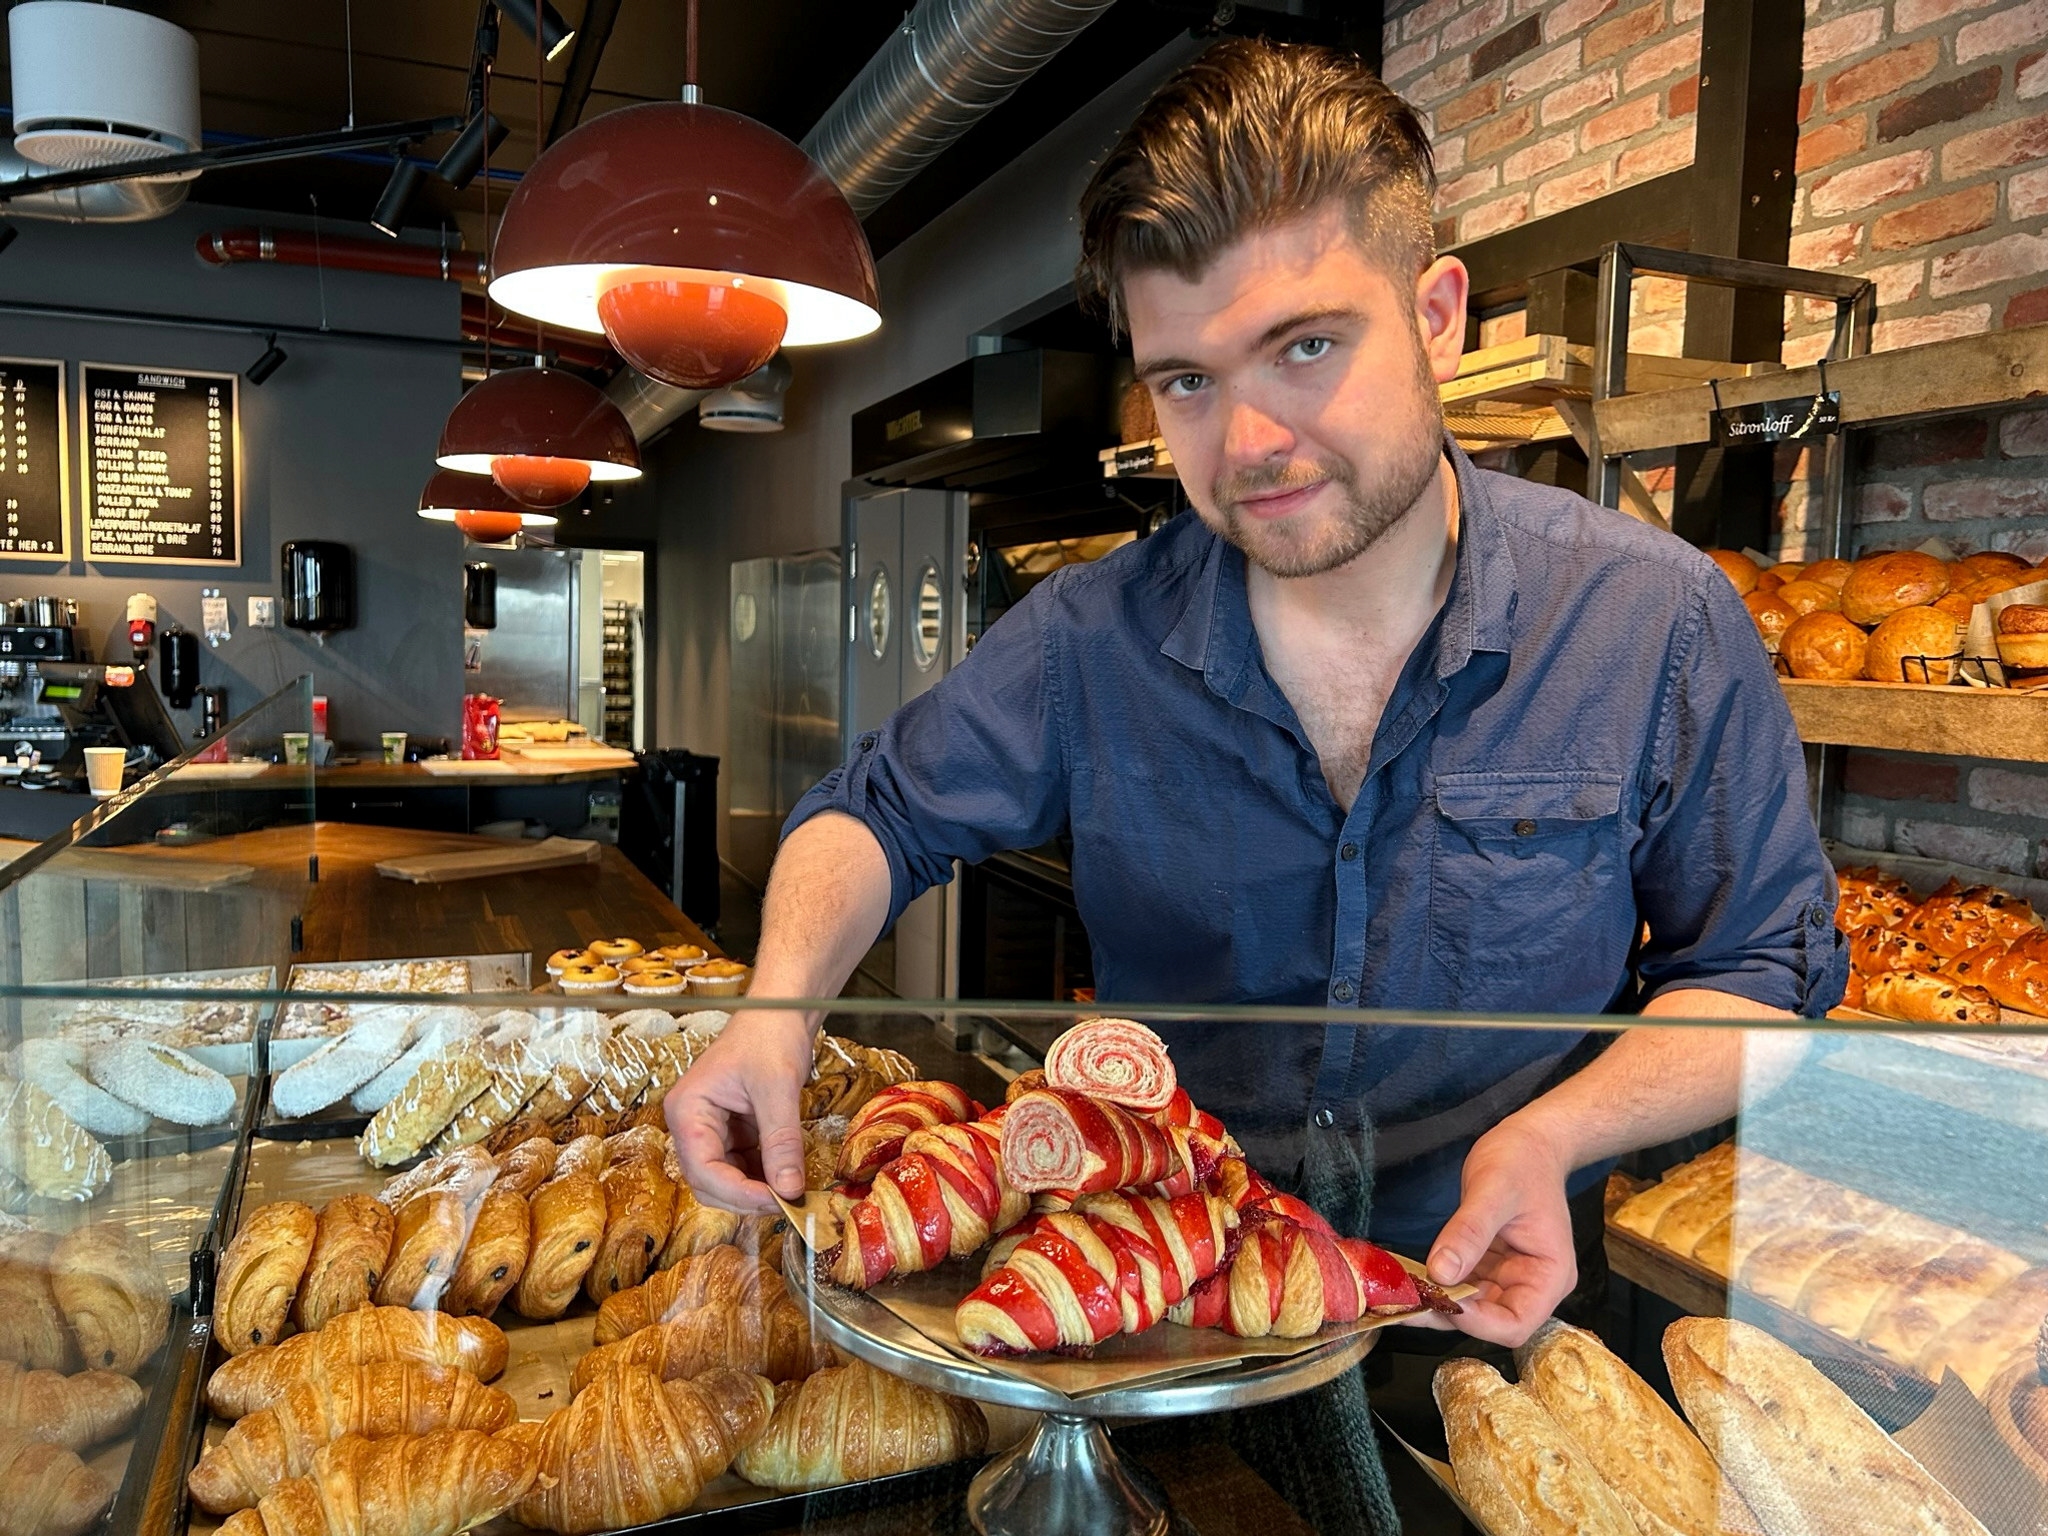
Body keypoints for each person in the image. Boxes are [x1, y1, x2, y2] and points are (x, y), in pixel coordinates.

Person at [669, 39, 1845, 1356]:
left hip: (1489, 1322)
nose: (1246, 446)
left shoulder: (1653, 623)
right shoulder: (1086, 638)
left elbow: (1760, 974)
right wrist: (773, 1018)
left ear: (1437, 314)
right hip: (1158, 1332)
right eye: (1188, 381)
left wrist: (1562, 1128)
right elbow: (873, 814)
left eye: (1304, 347)